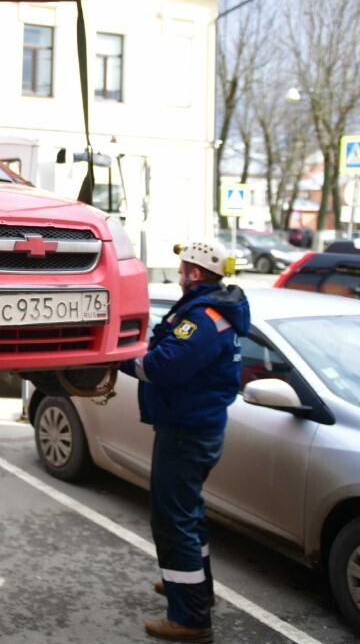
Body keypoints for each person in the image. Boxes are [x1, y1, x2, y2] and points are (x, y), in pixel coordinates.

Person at [121, 241, 250, 642]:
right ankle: (196, 589)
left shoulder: (204, 317)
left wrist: (115, 358)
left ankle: (190, 618)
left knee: (172, 521)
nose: (179, 275)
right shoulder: (215, 309)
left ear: (195, 273)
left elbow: (164, 366)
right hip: (197, 428)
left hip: (185, 432)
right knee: (189, 514)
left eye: (182, 269)